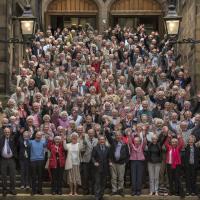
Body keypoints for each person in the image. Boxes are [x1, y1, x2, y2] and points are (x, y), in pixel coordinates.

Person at [105, 127, 130, 196]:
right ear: (115, 136)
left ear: (121, 136)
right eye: (116, 135)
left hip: (121, 163)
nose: (118, 136)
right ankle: (114, 190)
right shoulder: (113, 142)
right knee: (113, 177)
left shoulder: (124, 144)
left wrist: (125, 162)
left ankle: (120, 190)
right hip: (113, 163)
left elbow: (128, 154)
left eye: (119, 135)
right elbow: (108, 136)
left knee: (121, 178)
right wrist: (106, 129)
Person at [147, 127, 167, 195]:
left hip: (158, 163)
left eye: (155, 139)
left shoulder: (159, 144)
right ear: (151, 139)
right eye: (153, 139)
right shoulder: (149, 144)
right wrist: (146, 130)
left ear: (157, 139)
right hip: (150, 163)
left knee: (156, 177)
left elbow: (164, 138)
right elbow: (144, 137)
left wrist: (164, 133)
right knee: (151, 177)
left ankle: (156, 191)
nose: (154, 140)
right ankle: (151, 191)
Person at [92, 136, 110, 200]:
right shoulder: (95, 148)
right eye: (100, 139)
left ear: (105, 140)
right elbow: (93, 157)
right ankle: (97, 196)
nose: (102, 141)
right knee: (97, 182)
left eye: (103, 139)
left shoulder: (108, 148)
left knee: (103, 183)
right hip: (97, 168)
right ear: (99, 141)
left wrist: (110, 162)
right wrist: (94, 162)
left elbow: (108, 157)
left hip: (105, 168)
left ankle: (101, 195)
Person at [0, 127, 17, 196]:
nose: (7, 133)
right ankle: (4, 190)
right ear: (4, 132)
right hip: (3, 160)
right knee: (3, 176)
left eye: (8, 132)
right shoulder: (0, 139)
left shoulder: (13, 138)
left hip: (11, 159)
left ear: (10, 132)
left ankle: (12, 189)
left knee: (12, 175)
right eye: (6, 132)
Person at [29, 131, 47, 195]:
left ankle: (40, 190)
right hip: (33, 160)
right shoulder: (31, 142)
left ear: (41, 136)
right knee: (33, 176)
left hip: (41, 160)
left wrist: (46, 136)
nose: (39, 136)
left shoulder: (43, 142)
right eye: (37, 134)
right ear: (35, 135)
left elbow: (48, 145)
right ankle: (33, 190)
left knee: (40, 176)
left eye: (40, 135)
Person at [81, 129, 98, 195]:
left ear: (94, 133)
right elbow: (81, 149)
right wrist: (84, 145)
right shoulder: (85, 140)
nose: (91, 134)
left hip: (94, 161)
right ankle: (85, 190)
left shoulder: (97, 140)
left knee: (94, 176)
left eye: (92, 133)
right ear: (87, 134)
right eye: (89, 133)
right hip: (86, 160)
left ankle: (93, 190)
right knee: (85, 176)